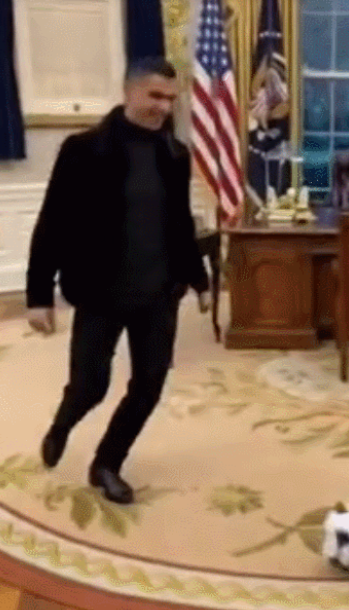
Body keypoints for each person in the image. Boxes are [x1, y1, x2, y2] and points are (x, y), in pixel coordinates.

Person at [26, 57, 211, 505]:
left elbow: (180, 222)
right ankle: (62, 425)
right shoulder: (83, 149)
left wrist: (199, 278)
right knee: (89, 386)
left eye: (170, 99)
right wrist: (38, 295)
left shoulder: (175, 154)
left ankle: (107, 463)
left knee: (149, 386)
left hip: (159, 293)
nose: (163, 107)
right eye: (155, 96)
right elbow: (53, 222)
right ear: (129, 91)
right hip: (101, 292)